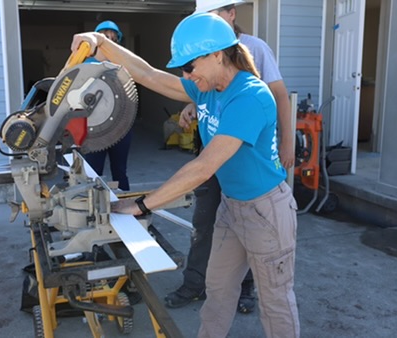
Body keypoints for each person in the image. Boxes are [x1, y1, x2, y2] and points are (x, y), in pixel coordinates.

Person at [71, 11, 300, 338]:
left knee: (275, 302)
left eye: (190, 66)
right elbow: (148, 75)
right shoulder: (206, 87)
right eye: (182, 68)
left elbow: (204, 166)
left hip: (266, 211)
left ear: (218, 55)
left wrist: (143, 205)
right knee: (218, 290)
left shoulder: (250, 95)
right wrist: (100, 46)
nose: (186, 74)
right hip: (232, 207)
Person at [165, 0, 294, 314]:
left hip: (245, 160)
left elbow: (276, 95)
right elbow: (202, 91)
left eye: (212, 15)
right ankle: (196, 284)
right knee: (204, 225)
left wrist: (287, 142)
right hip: (217, 159)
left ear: (231, 13)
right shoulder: (202, 53)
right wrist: (193, 102)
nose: (207, 22)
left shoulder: (254, 50)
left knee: (259, 249)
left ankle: (245, 290)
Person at [83, 20, 133, 191]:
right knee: (93, 173)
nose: (109, 41)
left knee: (120, 172)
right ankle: (94, 212)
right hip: (95, 129)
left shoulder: (124, 65)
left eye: (113, 39)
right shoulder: (86, 65)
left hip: (121, 127)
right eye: (105, 37)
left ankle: (126, 208)